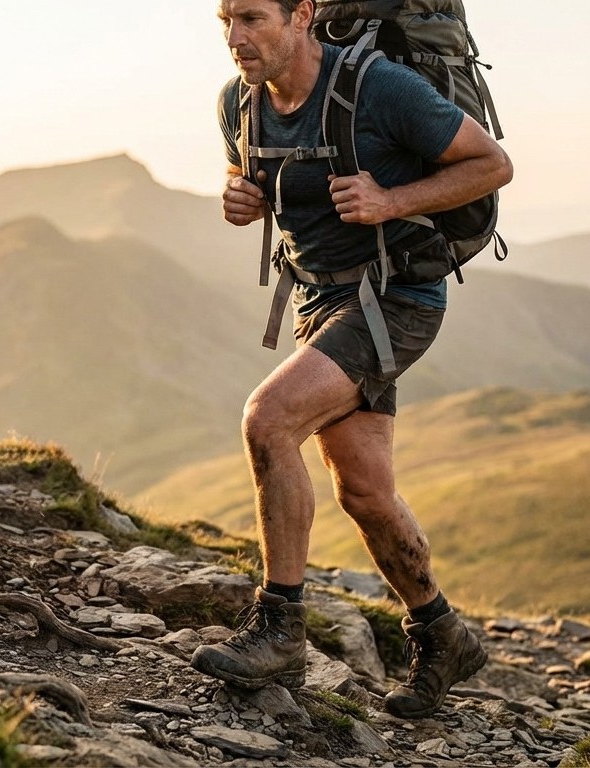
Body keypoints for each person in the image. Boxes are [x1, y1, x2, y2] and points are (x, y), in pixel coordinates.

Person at [190, 0, 514, 718]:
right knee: (363, 490)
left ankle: (278, 627)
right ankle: (442, 634)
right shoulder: (235, 102)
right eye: (224, 23)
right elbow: (246, 176)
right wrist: (239, 198)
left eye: (252, 19)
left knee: (268, 418)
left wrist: (390, 199)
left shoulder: (379, 88)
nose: (236, 39)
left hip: (397, 299)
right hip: (319, 303)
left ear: (301, 14)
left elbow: (492, 165)